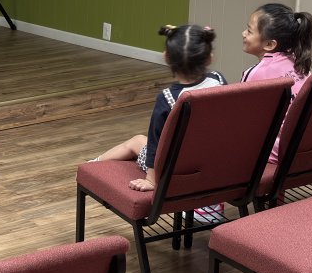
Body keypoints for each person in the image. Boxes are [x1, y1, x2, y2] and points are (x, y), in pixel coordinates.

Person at [94, 24, 225, 193]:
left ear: (166, 57)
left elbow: (155, 143)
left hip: (176, 169)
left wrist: (151, 180)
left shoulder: (169, 97)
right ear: (209, 58)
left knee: (136, 141)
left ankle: (91, 165)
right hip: (214, 162)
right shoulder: (218, 80)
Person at [241, 2, 312, 163]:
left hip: (278, 150)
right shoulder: (298, 61)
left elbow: (241, 117)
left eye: (249, 31)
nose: (243, 34)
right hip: (303, 147)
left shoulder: (256, 73)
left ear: (269, 44)